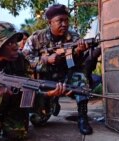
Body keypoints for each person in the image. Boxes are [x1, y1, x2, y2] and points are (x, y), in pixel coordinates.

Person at [23, 4, 93, 135]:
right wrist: (45, 60)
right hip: (46, 81)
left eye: (66, 20)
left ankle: (82, 117)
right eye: (60, 20)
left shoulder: (74, 37)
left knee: (81, 79)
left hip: (68, 75)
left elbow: (79, 63)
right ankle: (53, 102)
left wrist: (78, 51)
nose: (64, 24)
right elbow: (24, 60)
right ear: (50, 22)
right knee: (37, 121)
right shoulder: (36, 38)